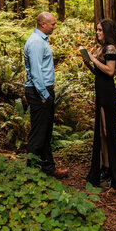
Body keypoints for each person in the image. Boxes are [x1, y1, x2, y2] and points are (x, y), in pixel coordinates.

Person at [83, 18, 116, 189]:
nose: (98, 33)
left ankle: (112, 170)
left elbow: (110, 71)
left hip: (108, 96)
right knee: (101, 134)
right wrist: (89, 64)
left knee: (107, 132)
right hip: (101, 94)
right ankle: (105, 168)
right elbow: (99, 73)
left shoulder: (111, 48)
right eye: (97, 30)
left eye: (100, 30)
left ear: (107, 31)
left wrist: (93, 59)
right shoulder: (102, 48)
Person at [24, 11, 68, 178]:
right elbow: (36, 72)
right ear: (42, 24)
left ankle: (48, 168)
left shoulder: (40, 41)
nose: (54, 27)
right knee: (38, 132)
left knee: (46, 131)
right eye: (52, 24)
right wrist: (43, 94)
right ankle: (32, 172)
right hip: (39, 91)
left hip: (44, 90)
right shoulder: (36, 42)